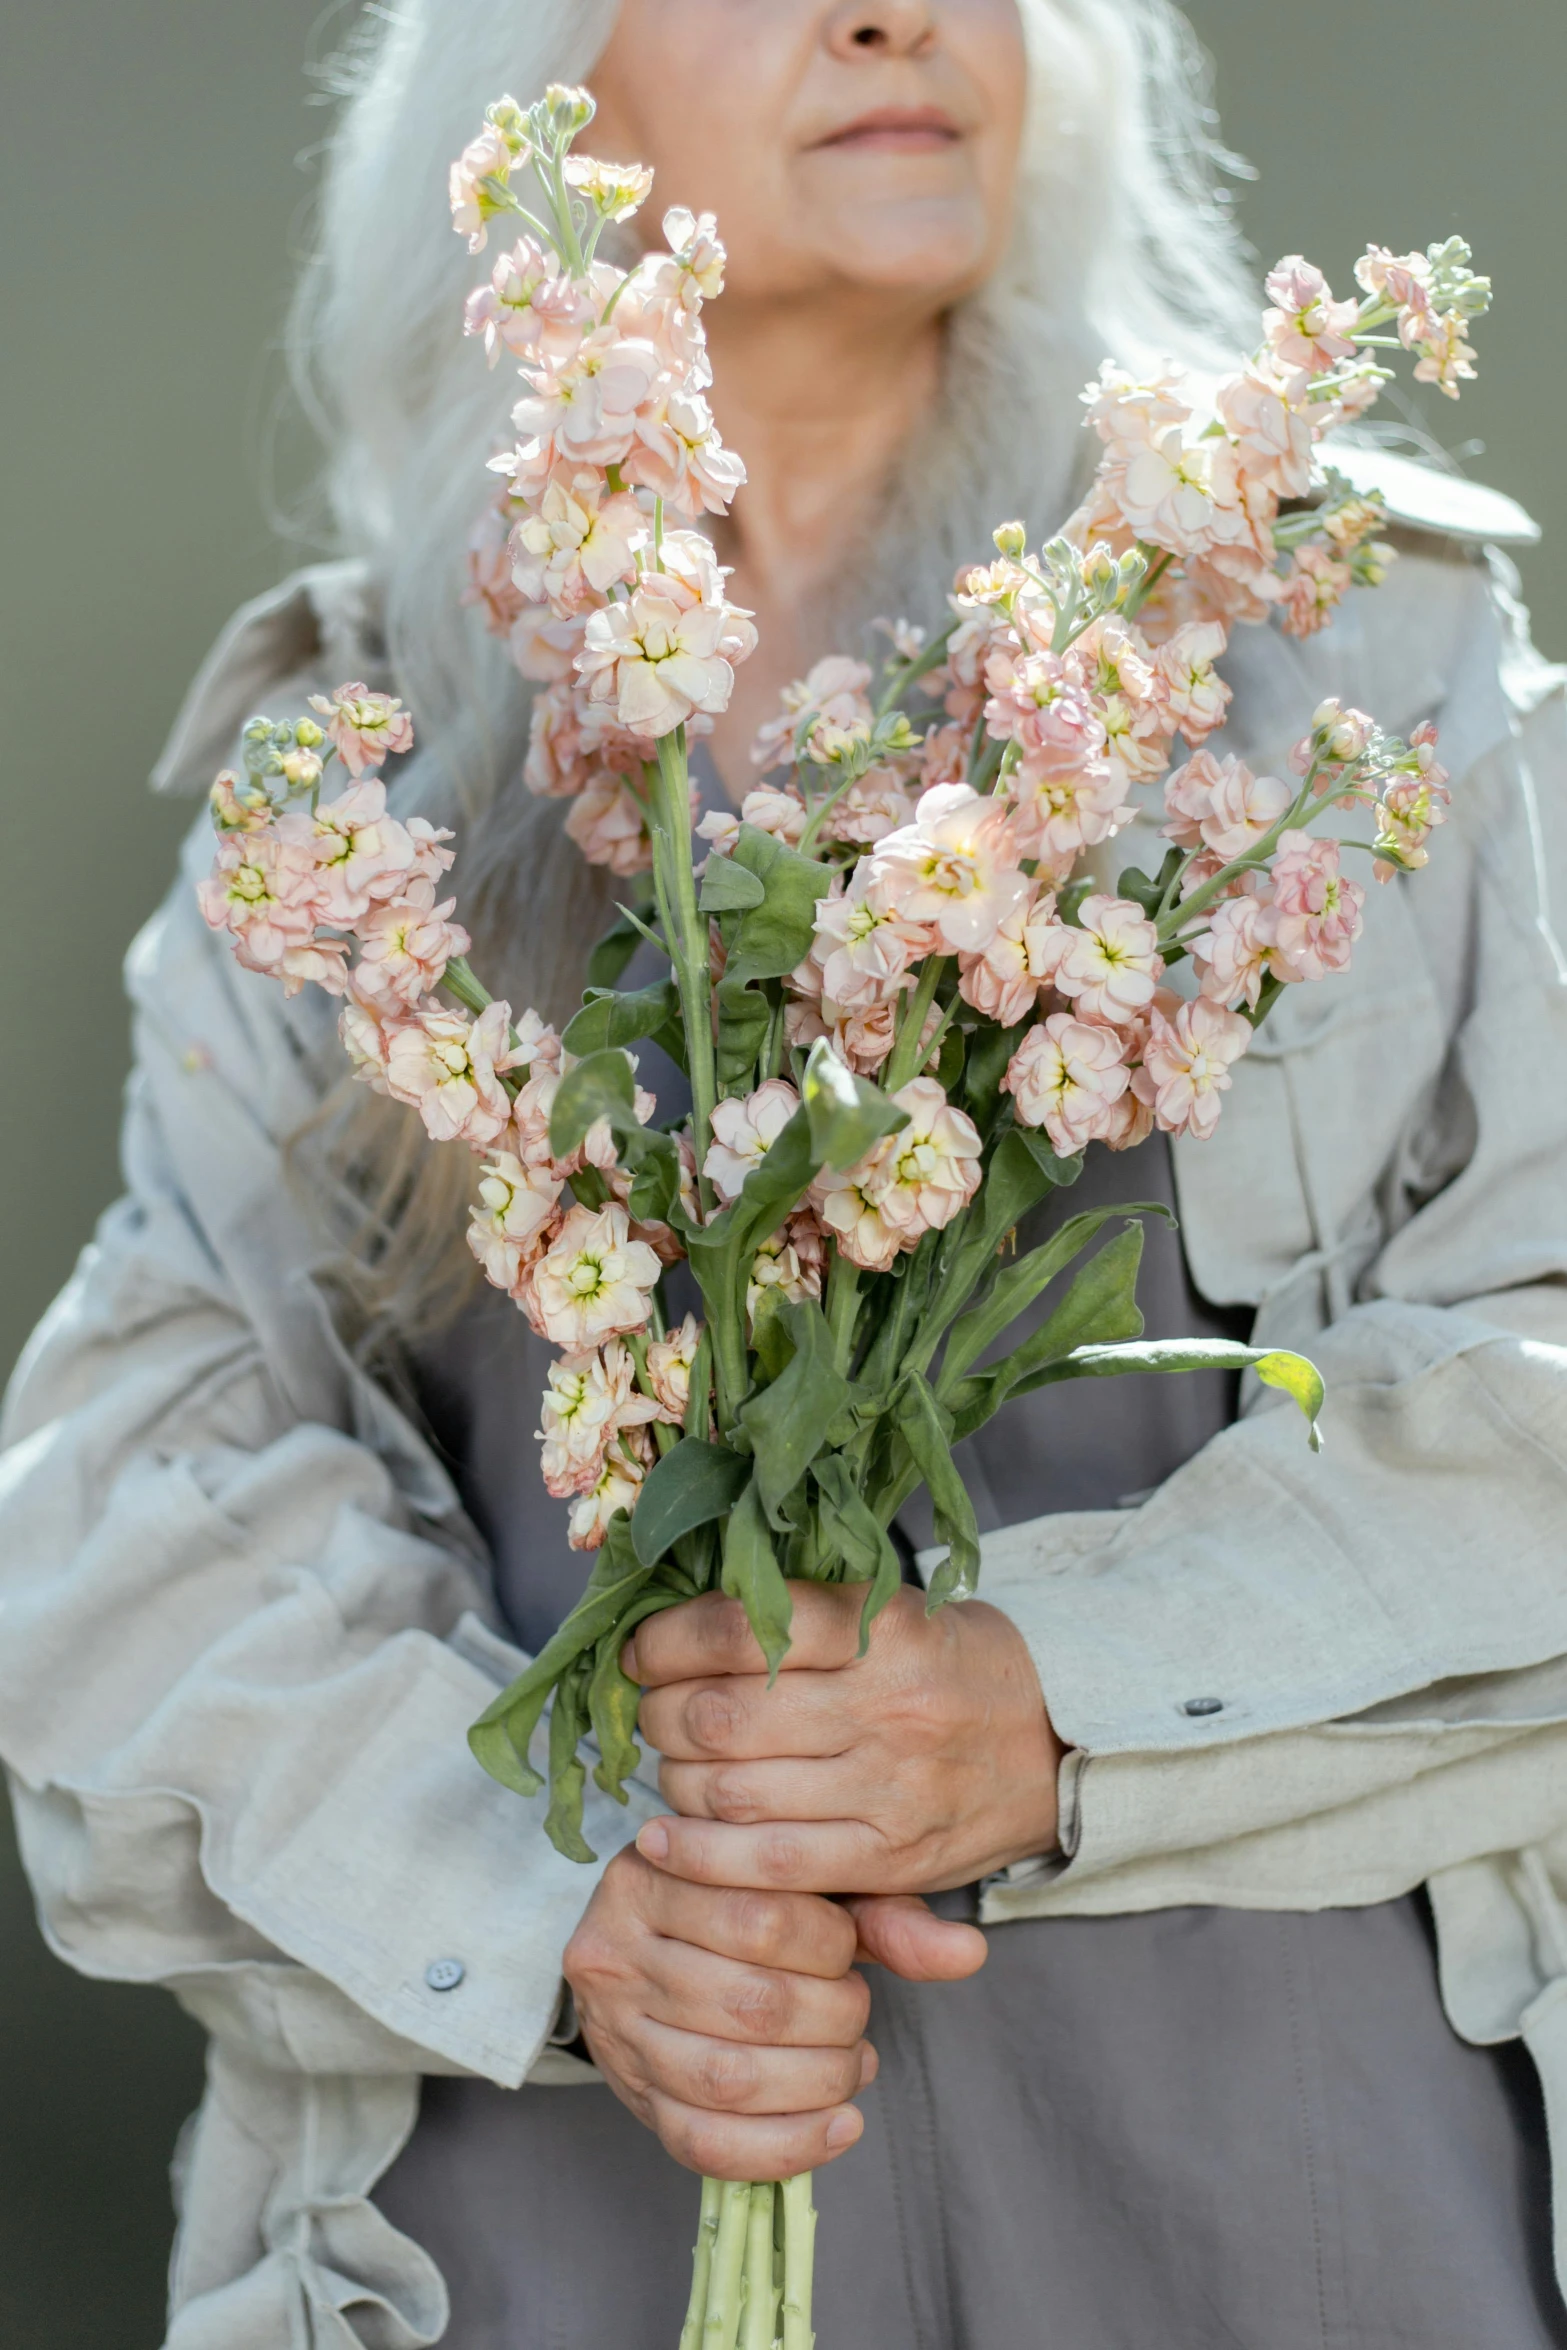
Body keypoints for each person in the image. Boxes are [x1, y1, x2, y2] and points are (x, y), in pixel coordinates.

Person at [3, 0, 1567, 2343]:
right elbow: (127, 1499)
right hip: (570, 2225)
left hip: (1280, 2217)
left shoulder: (1350, 656)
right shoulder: (357, 763)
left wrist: (1050, 1693)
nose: (893, 14)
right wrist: (561, 1902)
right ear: (526, 98)